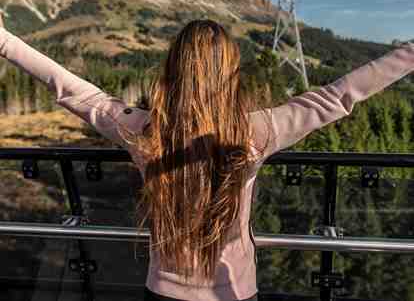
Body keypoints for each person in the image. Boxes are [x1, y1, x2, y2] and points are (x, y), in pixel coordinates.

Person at [1, 19, 414, 301]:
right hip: (233, 292)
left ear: (172, 72)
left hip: (161, 293)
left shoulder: (143, 130)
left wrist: (5, 41)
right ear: (230, 73)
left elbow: (74, 91)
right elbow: (339, 96)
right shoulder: (257, 130)